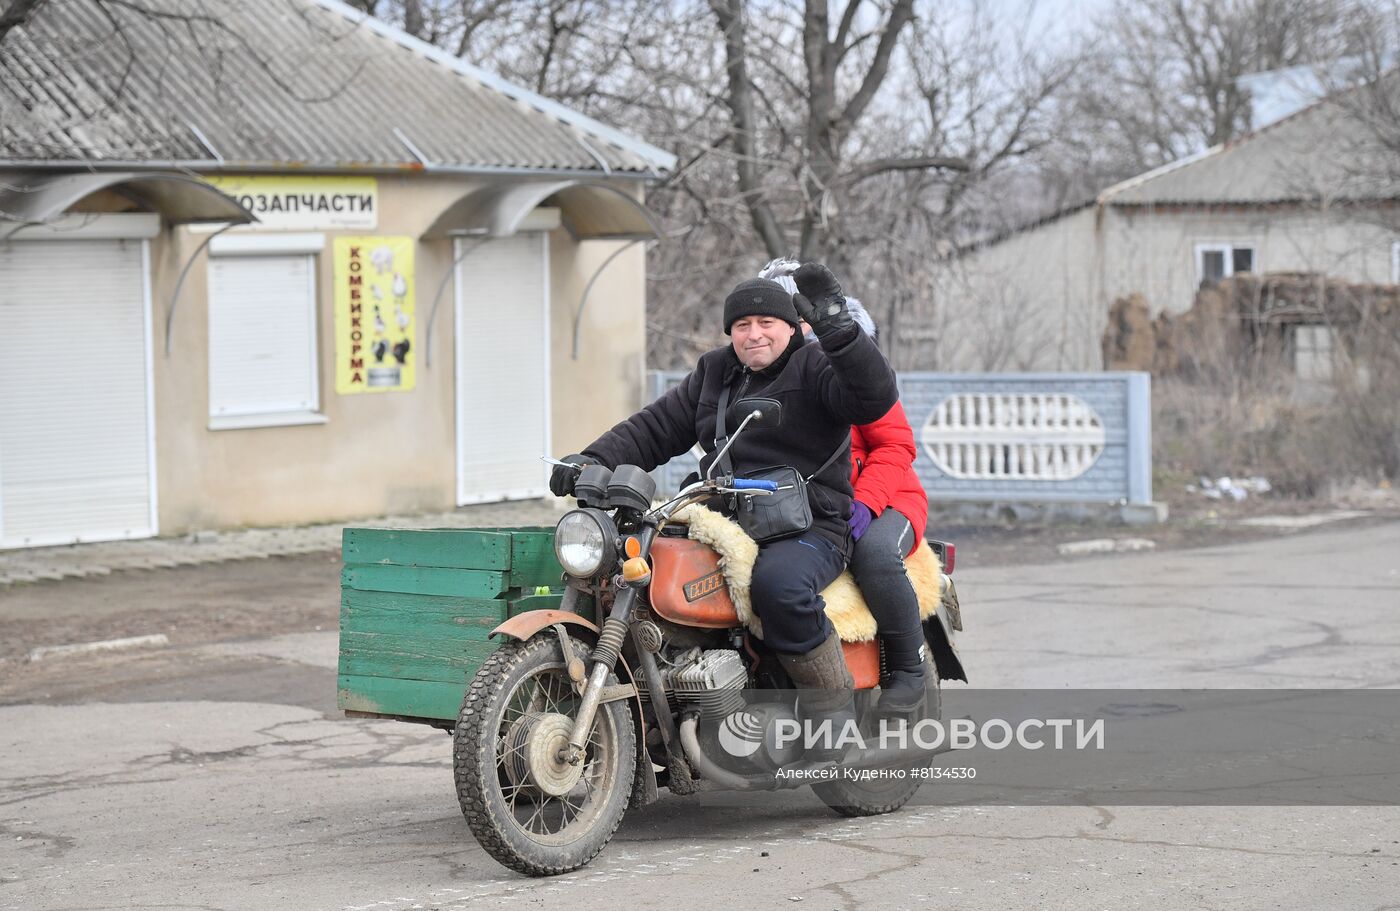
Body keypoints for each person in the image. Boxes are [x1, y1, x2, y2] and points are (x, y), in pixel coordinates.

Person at [548, 263, 898, 743]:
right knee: (631, 566)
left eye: (766, 323)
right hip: (721, 512)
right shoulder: (715, 371)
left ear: (793, 326)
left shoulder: (817, 365)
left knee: (779, 587)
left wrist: (840, 329)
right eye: (741, 325)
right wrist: (591, 460)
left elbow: (872, 396)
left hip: (809, 523)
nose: (753, 335)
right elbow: (655, 427)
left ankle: (833, 719)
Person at [760, 258, 930, 714]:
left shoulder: (852, 360)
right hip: (810, 504)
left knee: (874, 552)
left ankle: (909, 669)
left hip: (885, 496)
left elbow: (896, 444)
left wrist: (867, 503)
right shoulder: (762, 370)